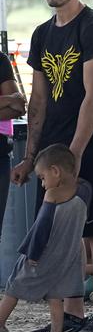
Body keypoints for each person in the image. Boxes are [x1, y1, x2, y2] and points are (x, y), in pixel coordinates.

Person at [13, 0, 93, 332]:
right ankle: (73, 315)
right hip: (55, 149)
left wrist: (75, 153)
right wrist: (31, 158)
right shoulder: (43, 33)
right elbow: (38, 100)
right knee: (64, 233)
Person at [0, 145, 90, 332]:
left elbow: (41, 228)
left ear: (55, 171)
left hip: (42, 253)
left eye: (42, 177)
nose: (42, 184)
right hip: (66, 255)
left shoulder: (51, 196)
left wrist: (32, 254)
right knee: (56, 295)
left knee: (14, 286)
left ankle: (0, 322)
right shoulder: (84, 190)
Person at [0, 52, 26, 239]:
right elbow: (13, 100)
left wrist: (11, 101)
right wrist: (7, 99)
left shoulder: (0, 60)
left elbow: (18, 106)